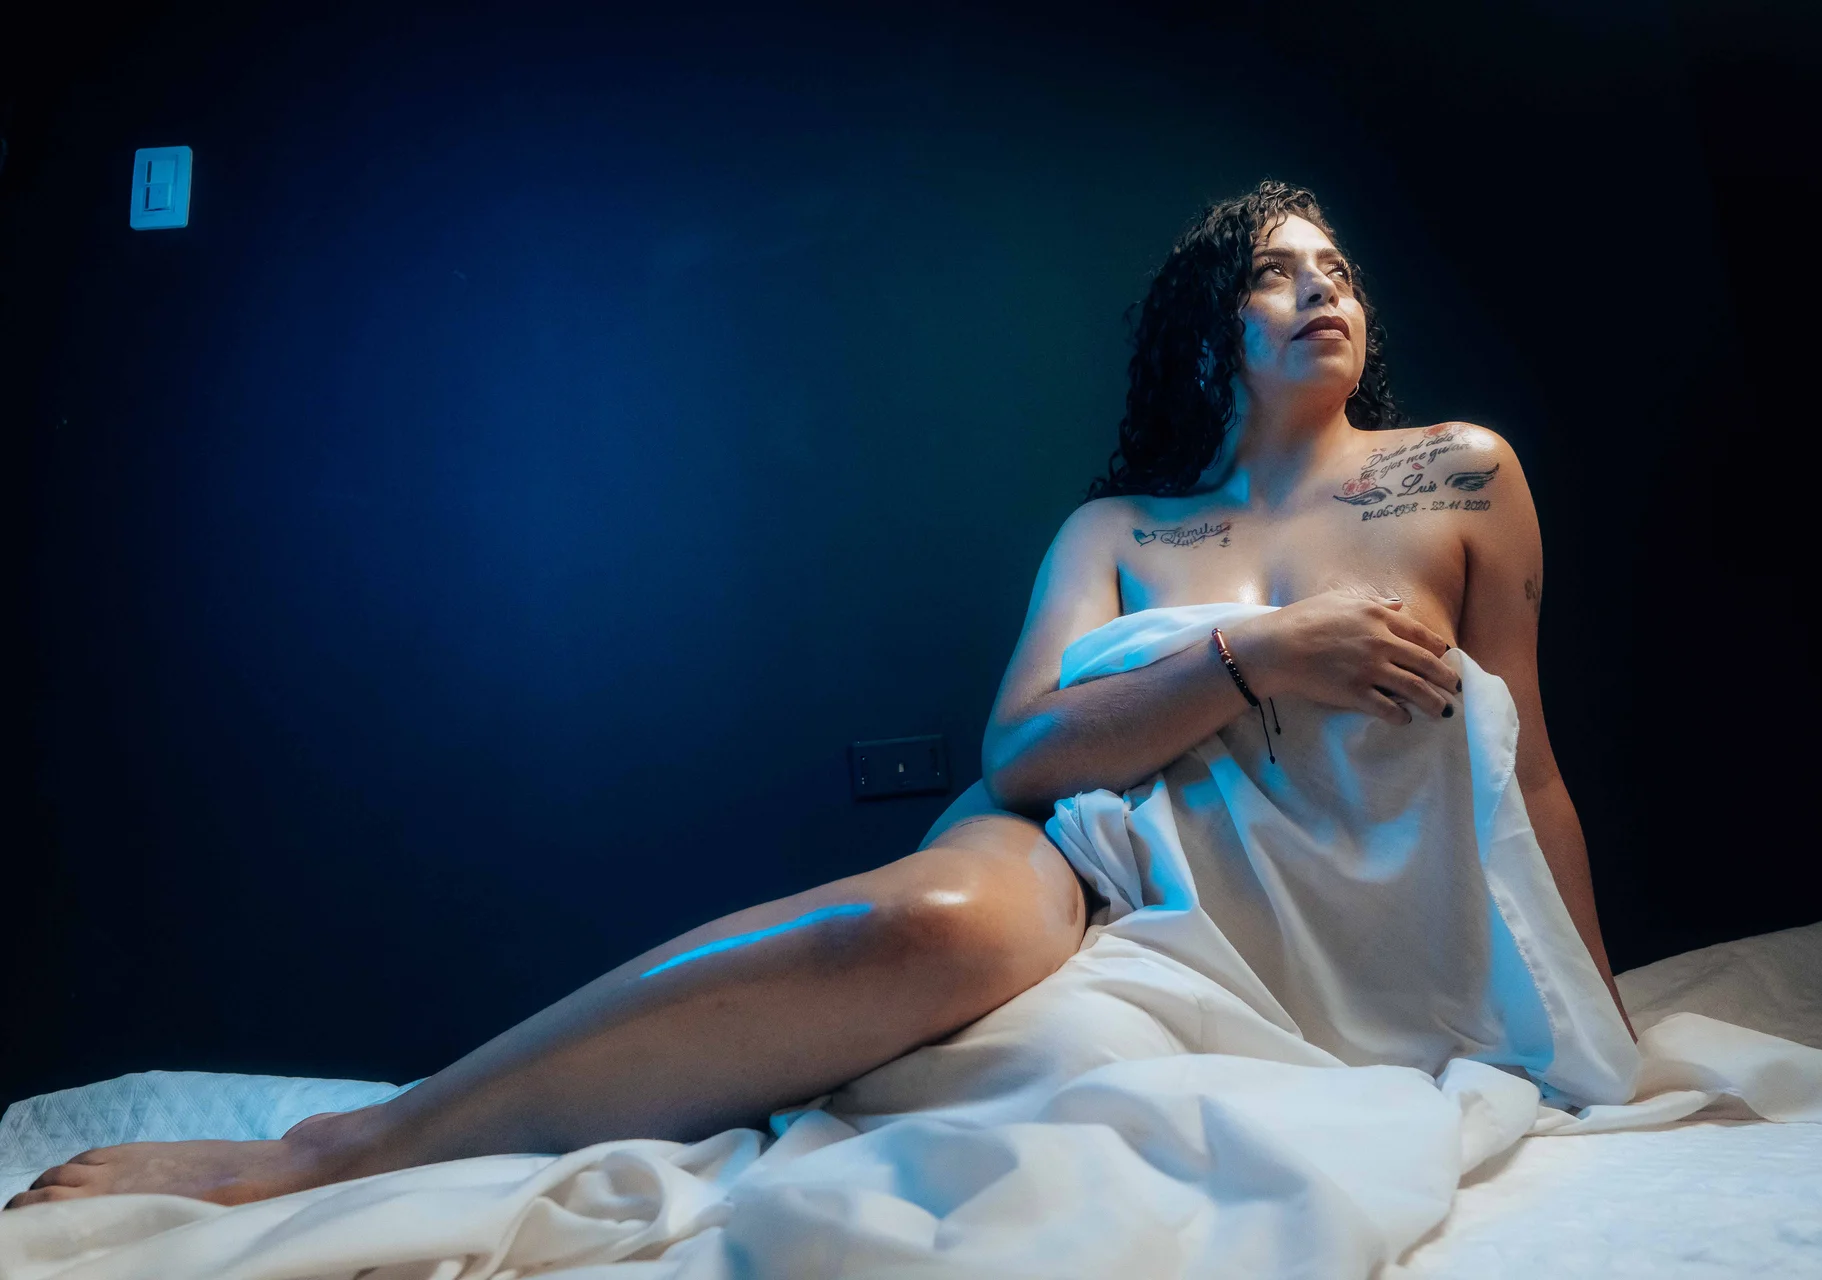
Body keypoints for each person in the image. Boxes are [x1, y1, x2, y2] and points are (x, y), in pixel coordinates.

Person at [5, 180, 1629, 1211]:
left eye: (1336, 266)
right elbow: (1024, 749)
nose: (1322, 286)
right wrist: (1256, 653)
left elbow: (1527, 771)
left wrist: (1596, 1016)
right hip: (1101, 853)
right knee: (933, 927)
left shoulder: (1459, 474)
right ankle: (343, 1145)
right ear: (1215, 338)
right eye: (1276, 274)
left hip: (1331, 921)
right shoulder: (1123, 532)